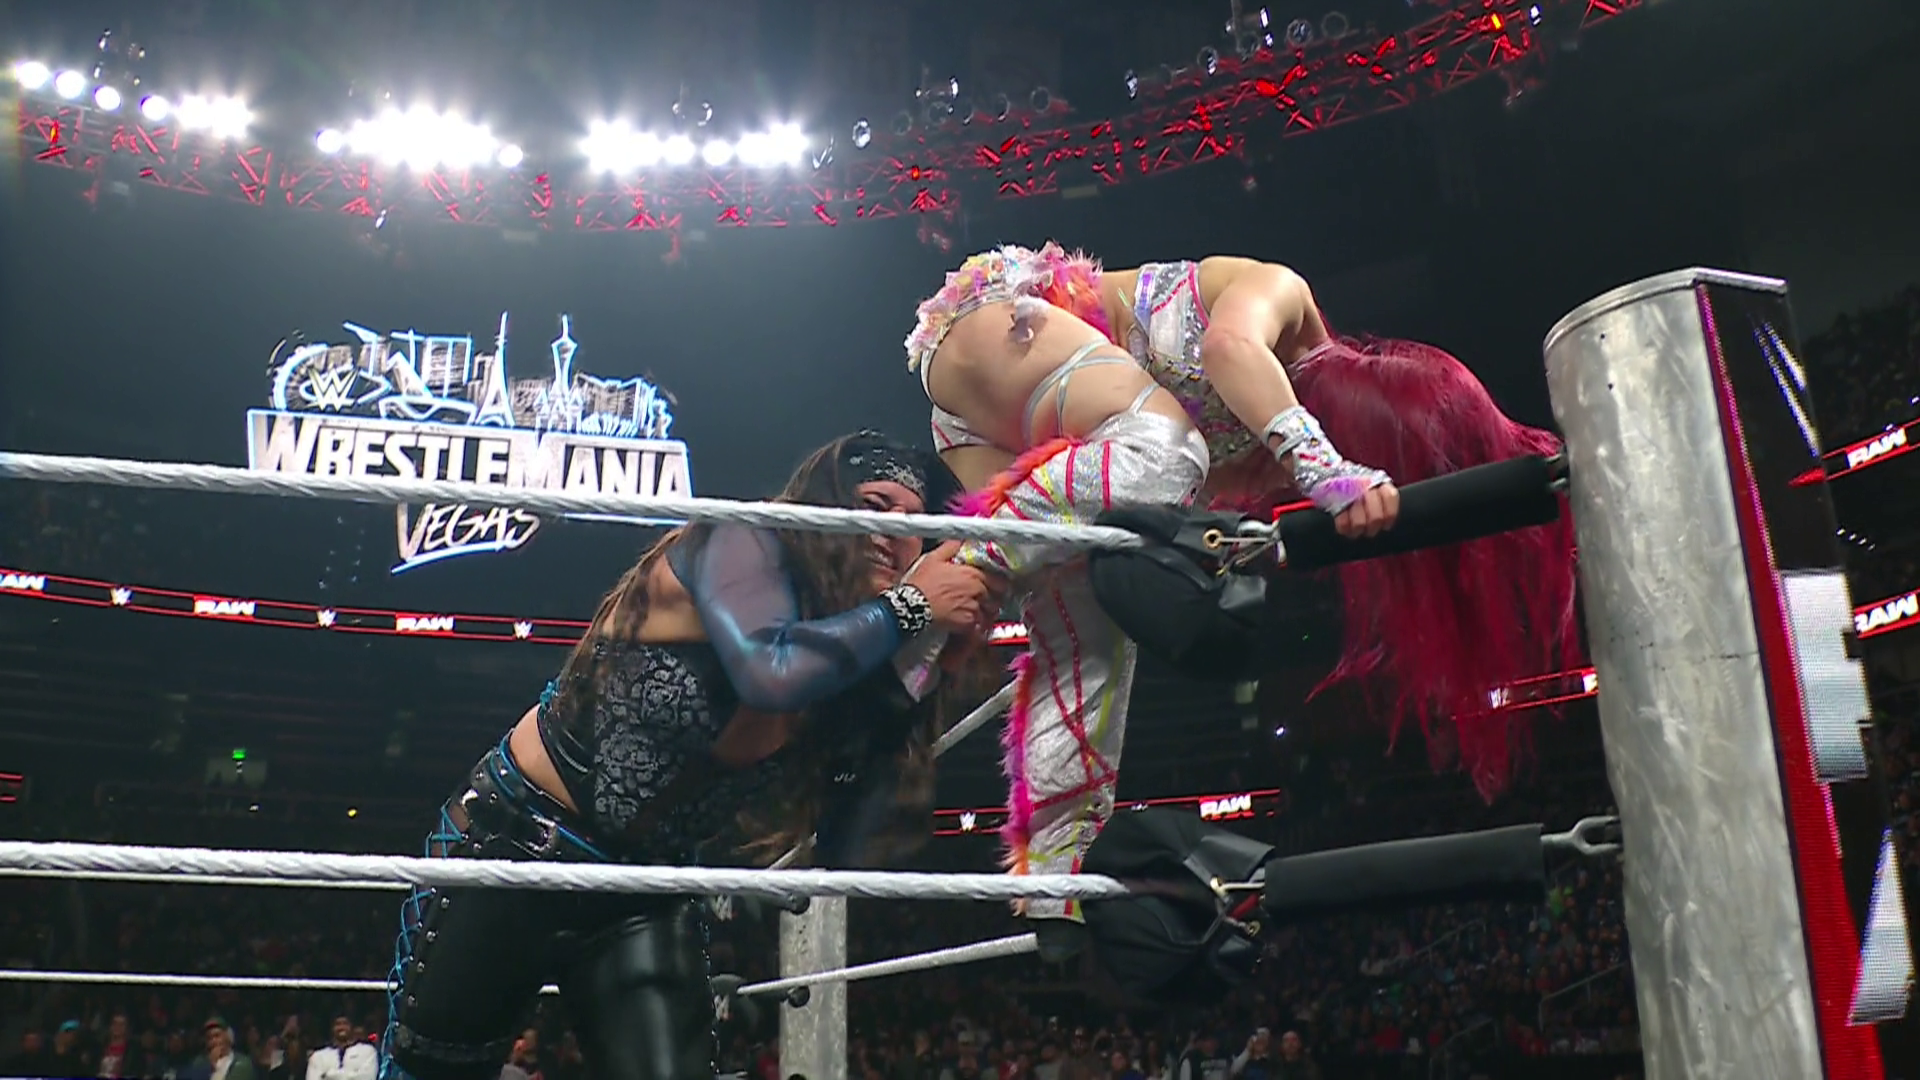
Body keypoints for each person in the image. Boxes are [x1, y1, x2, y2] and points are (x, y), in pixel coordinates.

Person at [907, 245, 1578, 942]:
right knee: (1168, 456)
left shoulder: (1254, 442)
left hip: (1001, 408)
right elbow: (1227, 350)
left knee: (1083, 627)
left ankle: (1054, 877)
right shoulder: (1283, 297)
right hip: (1007, 327)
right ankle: (934, 598)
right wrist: (1323, 465)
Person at [381, 432, 1000, 1080]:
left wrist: (915, 672)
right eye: (875, 504)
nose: (893, 531)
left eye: (914, 521)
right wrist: (911, 607)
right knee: (433, 1072)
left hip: (647, 889)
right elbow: (768, 672)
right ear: (828, 504)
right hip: (522, 845)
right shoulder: (742, 540)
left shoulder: (852, 649)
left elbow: (847, 842)